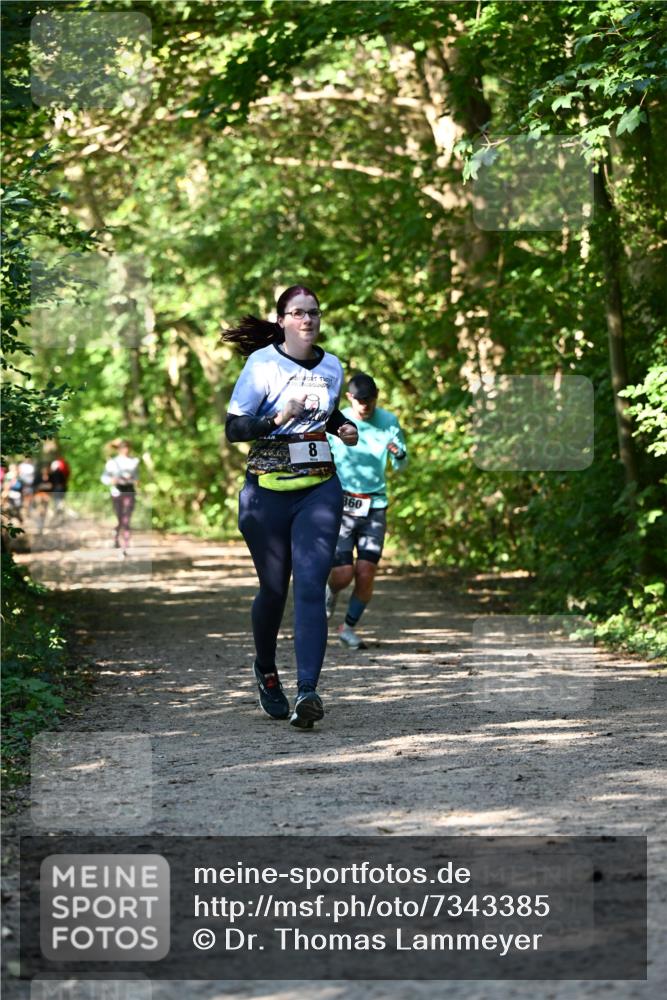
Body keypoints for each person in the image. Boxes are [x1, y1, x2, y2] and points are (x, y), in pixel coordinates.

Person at [224, 284, 358, 730]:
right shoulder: (262, 364)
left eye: (314, 313)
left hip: (319, 488)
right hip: (265, 492)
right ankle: (265, 668)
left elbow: (329, 413)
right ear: (281, 320)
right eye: (298, 313)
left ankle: (308, 692)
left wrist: (343, 427)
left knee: (310, 587)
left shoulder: (333, 366)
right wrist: (276, 418)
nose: (307, 320)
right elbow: (234, 428)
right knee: (275, 590)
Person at [326, 372, 408, 649]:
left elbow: (402, 461)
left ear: (376, 397)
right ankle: (330, 591)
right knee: (342, 574)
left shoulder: (388, 421)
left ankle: (347, 628)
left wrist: (398, 453)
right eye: (360, 400)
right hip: (343, 504)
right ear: (350, 398)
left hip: (375, 505)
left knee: (366, 571)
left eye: (369, 399)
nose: (365, 405)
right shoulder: (338, 420)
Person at [101, 439, 140, 556]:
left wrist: (135, 481)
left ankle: (124, 547)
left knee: (126, 519)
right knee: (120, 519)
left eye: (128, 447)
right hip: (117, 492)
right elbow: (104, 477)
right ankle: (116, 537)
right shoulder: (112, 462)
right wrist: (112, 480)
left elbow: (137, 477)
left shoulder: (134, 461)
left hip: (130, 491)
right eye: (124, 448)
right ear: (119, 449)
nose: (126, 450)